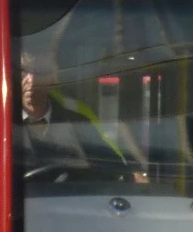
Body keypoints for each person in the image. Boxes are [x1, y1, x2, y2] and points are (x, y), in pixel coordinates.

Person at [15, 48, 131, 181]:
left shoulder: (77, 122)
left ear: (54, 77)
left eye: (40, 72)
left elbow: (113, 169)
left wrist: (131, 177)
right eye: (23, 71)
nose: (32, 80)